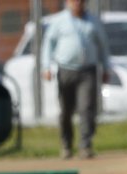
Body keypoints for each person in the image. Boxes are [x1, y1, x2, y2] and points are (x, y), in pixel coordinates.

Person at [41, 0, 112, 159]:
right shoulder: (59, 21)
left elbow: (103, 46)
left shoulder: (93, 21)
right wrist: (46, 67)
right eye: (74, 0)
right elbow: (48, 44)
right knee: (66, 110)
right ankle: (66, 144)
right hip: (65, 70)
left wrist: (106, 68)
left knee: (86, 107)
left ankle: (85, 145)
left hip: (88, 71)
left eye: (80, 1)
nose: (77, 3)